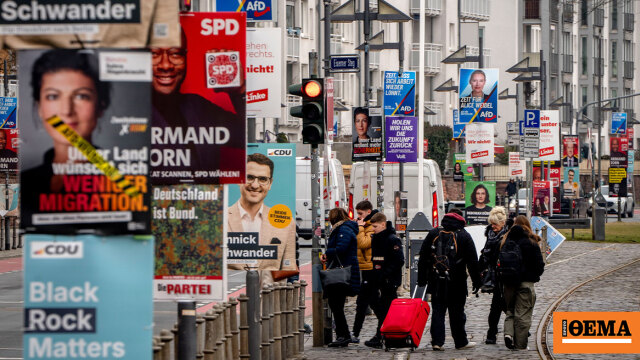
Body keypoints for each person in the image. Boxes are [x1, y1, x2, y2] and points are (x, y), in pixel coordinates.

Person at [151, 32, 245, 180]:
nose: (166, 65)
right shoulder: (120, 113)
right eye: (153, 54)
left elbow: (246, 139)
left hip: (205, 201)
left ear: (186, 58)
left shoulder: (198, 107)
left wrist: (239, 92)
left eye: (175, 54)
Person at [417, 209, 482, 351]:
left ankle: (437, 342)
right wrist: (477, 283)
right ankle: (460, 341)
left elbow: (423, 257)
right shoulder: (464, 236)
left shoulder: (434, 233)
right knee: (457, 312)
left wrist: (422, 279)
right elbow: (472, 261)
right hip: (457, 280)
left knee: (438, 311)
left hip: (436, 279)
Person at [227, 153, 296, 284]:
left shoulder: (285, 222)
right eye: (249, 177)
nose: (255, 185)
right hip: (230, 302)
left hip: (269, 301)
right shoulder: (220, 220)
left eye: (263, 179)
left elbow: (288, 268)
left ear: (270, 183)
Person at [499, 216, 545, 350]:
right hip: (526, 282)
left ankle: (508, 334)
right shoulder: (531, 242)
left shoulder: (505, 240)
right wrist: (534, 275)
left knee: (510, 310)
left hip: (508, 283)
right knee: (523, 314)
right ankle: (520, 345)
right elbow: (539, 265)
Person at [363, 212, 404, 349]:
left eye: (375, 226)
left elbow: (399, 260)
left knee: (388, 308)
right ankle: (385, 335)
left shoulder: (392, 239)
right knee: (382, 306)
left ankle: (385, 336)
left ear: (383, 224)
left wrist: (385, 274)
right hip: (379, 278)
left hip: (389, 280)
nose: (373, 229)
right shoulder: (377, 238)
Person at [321, 208, 360, 347]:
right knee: (336, 305)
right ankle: (343, 335)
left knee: (336, 305)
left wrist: (328, 253)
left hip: (341, 271)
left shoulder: (343, 229)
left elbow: (341, 248)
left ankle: (343, 335)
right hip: (344, 270)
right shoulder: (345, 228)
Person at [478, 207, 512, 344]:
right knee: (497, 305)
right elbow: (485, 253)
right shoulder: (491, 235)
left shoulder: (508, 236)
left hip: (506, 274)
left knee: (503, 304)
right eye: (491, 224)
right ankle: (492, 333)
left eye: (495, 224)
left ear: (503, 223)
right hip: (494, 275)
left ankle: (495, 333)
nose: (493, 227)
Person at [351, 200, 378, 343]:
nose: (358, 216)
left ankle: (355, 333)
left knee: (366, 302)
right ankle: (355, 333)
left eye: (360, 213)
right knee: (368, 302)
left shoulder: (371, 227)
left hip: (369, 269)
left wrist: (360, 228)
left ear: (368, 212)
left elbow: (363, 243)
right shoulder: (365, 225)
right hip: (363, 267)